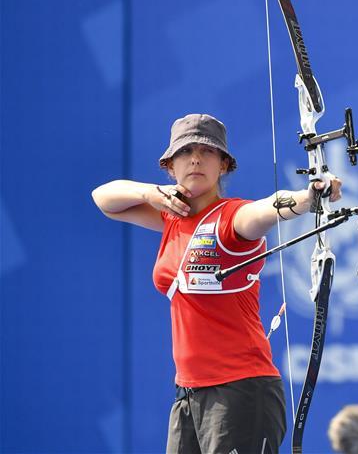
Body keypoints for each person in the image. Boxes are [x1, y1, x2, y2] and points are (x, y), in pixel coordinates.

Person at [92, 113, 342, 454]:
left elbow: (266, 210)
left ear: (223, 165)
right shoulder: (171, 219)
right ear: (170, 166)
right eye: (185, 151)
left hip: (240, 392)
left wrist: (308, 197)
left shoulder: (232, 218)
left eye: (207, 152)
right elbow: (104, 199)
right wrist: (152, 194)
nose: (195, 158)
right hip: (189, 393)